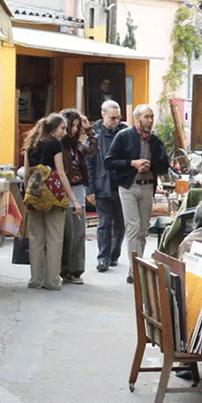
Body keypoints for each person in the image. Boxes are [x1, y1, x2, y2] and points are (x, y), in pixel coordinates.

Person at [105, 104, 169, 283]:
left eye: (152, 116)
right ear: (137, 119)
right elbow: (109, 161)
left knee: (142, 229)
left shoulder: (155, 141)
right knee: (133, 226)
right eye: (146, 116)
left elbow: (165, 165)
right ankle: (134, 271)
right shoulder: (124, 136)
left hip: (148, 186)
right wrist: (132, 163)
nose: (150, 120)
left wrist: (151, 164)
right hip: (129, 186)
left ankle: (139, 264)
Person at [23, 114, 81, 290]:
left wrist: (28, 194)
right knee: (55, 238)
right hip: (53, 197)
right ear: (53, 128)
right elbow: (61, 173)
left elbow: (26, 173)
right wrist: (74, 199)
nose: (65, 132)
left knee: (36, 239)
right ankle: (52, 280)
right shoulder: (55, 144)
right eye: (62, 128)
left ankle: (36, 279)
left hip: (34, 195)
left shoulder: (31, 144)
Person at [87, 101, 127, 272]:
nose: (116, 121)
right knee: (105, 223)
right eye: (112, 118)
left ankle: (114, 255)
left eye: (118, 117)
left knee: (120, 223)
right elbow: (89, 163)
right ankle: (103, 257)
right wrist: (90, 189)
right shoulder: (94, 136)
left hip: (122, 185)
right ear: (103, 115)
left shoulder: (125, 133)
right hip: (102, 183)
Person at [59, 110, 97, 284]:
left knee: (78, 232)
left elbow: (93, 151)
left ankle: (76, 270)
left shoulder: (77, 146)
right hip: (64, 190)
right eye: (71, 126)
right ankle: (65, 269)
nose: (74, 130)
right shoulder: (59, 145)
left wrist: (89, 131)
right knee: (67, 232)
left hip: (78, 189)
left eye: (76, 126)